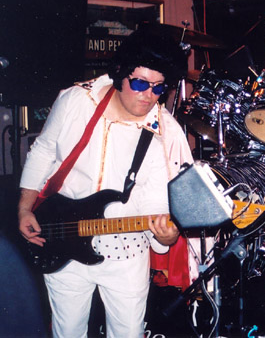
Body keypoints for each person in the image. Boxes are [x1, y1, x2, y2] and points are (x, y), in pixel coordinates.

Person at [17, 26, 194, 337]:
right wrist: (24, 208)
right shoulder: (76, 100)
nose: (148, 96)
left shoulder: (166, 132)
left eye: (158, 88)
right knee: (67, 331)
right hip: (63, 237)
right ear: (120, 73)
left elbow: (158, 200)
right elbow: (44, 150)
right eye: (139, 83)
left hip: (126, 253)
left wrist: (166, 237)